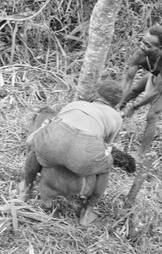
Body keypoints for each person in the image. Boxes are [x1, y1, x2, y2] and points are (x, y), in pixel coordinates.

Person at [23, 79, 123, 225]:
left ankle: (26, 188)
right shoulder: (116, 117)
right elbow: (106, 145)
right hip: (86, 148)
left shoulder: (76, 104)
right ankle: (87, 210)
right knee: (106, 165)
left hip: (58, 137)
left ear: (96, 95)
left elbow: (57, 121)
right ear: (117, 104)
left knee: (37, 144)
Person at [120, 24, 162, 156]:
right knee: (133, 92)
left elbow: (155, 92)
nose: (143, 46)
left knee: (152, 115)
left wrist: (134, 106)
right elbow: (128, 79)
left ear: (159, 49)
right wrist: (119, 102)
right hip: (155, 74)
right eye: (142, 42)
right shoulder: (140, 53)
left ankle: (140, 154)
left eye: (148, 45)